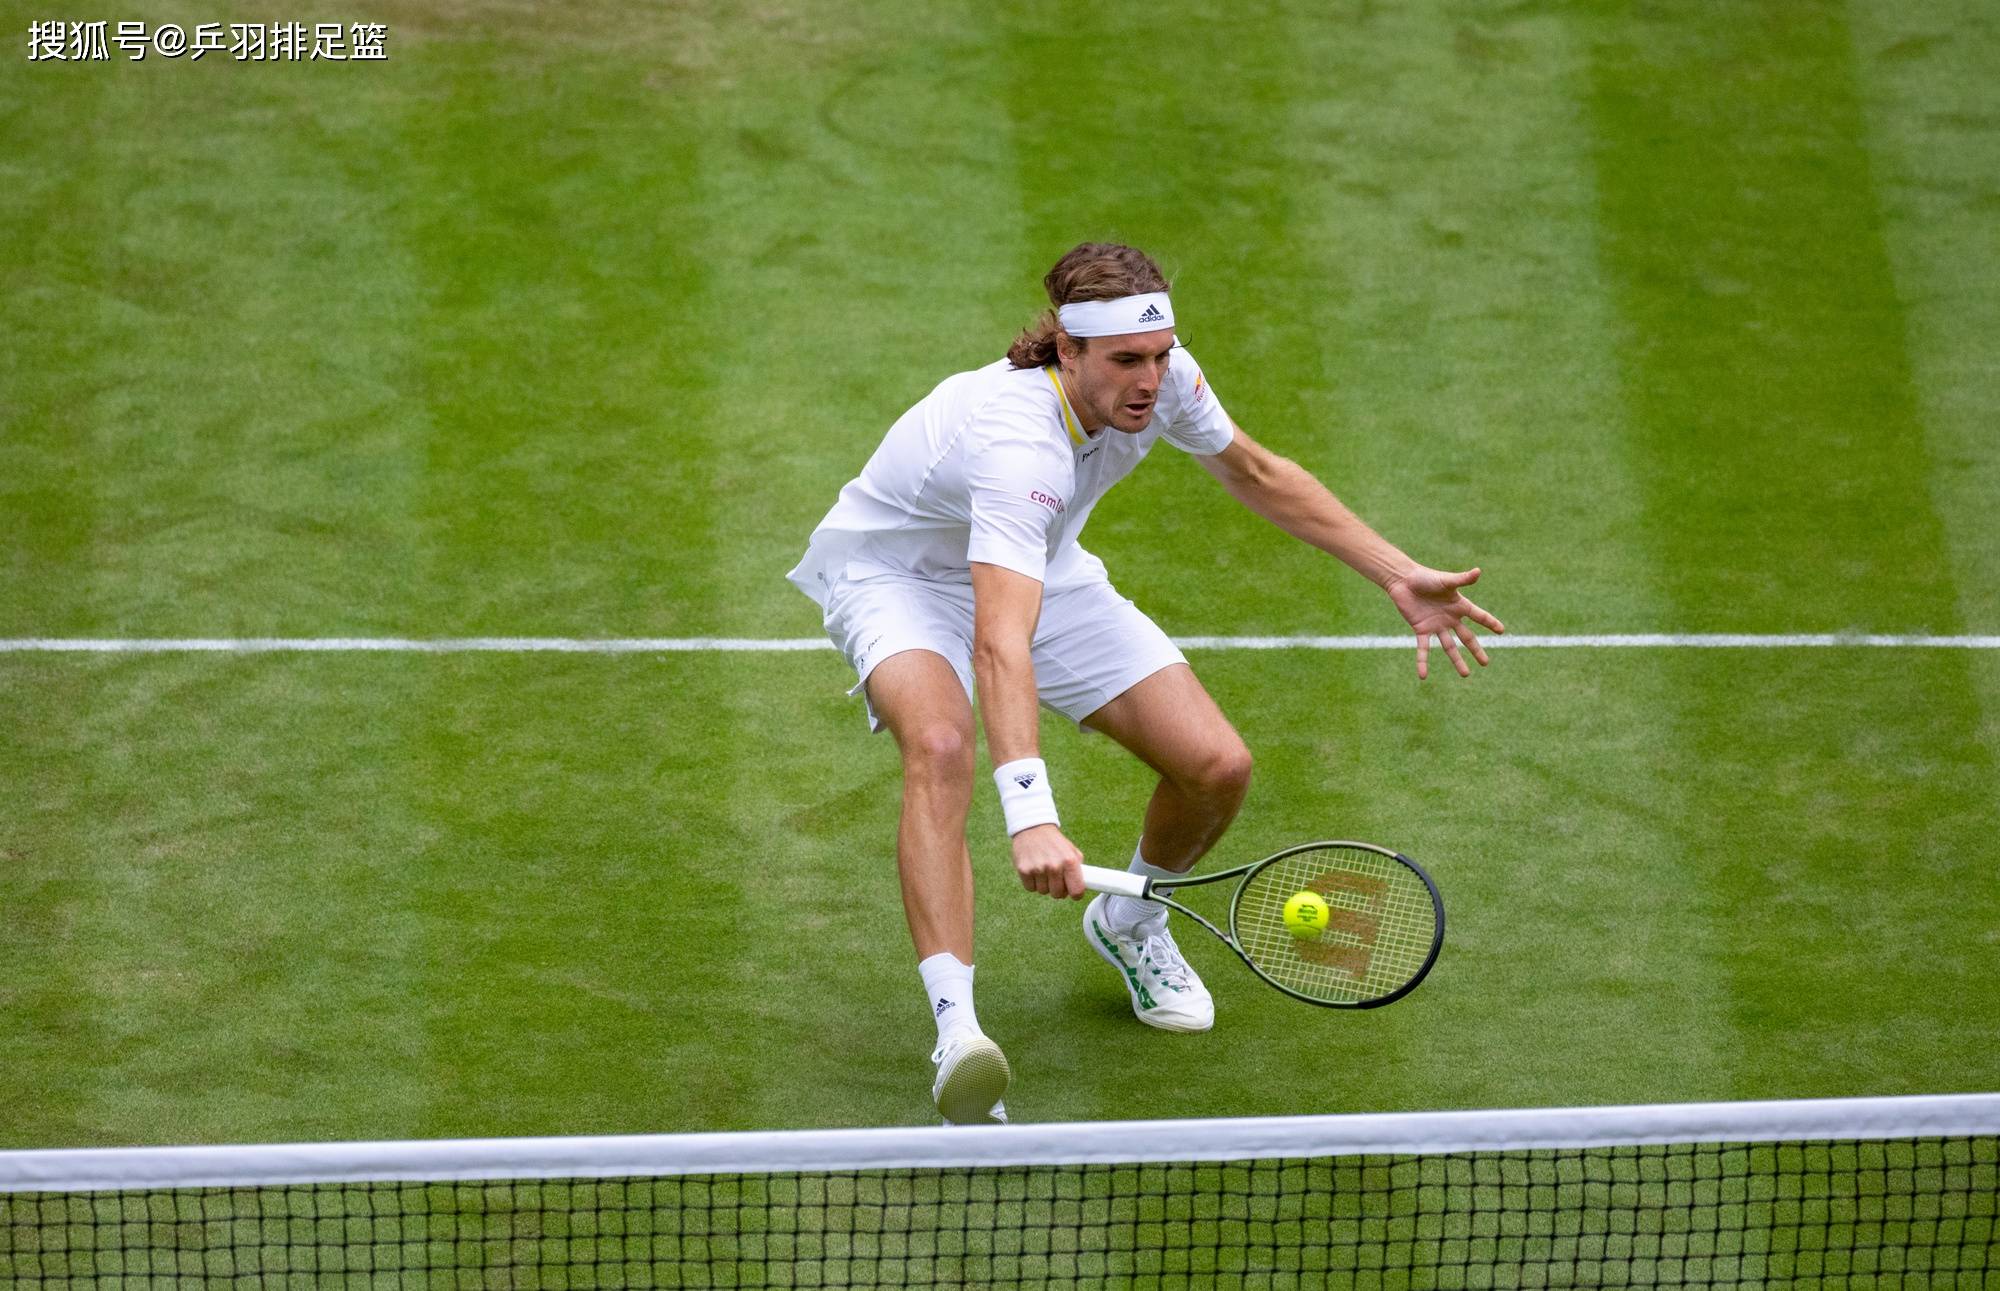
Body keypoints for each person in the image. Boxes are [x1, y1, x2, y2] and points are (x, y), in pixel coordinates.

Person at [786, 242, 1503, 1125]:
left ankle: (1128, 924)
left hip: (1041, 568)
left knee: (1217, 767)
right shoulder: (1017, 442)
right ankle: (960, 1035)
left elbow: (1257, 472)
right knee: (939, 744)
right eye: (1127, 360)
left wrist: (1396, 572)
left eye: (1161, 356)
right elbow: (999, 644)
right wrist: (1031, 815)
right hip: (896, 580)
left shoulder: (1166, 383)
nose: (1150, 381)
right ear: (1067, 350)